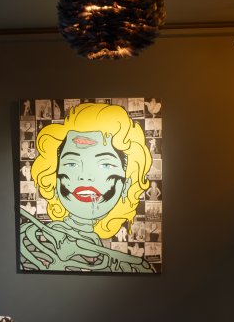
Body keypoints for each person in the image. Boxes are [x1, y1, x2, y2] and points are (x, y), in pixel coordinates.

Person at [18, 101, 156, 274]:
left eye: (105, 165)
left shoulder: (126, 265)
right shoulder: (28, 239)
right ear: (53, 177)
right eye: (72, 164)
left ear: (126, 185)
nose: (86, 176)